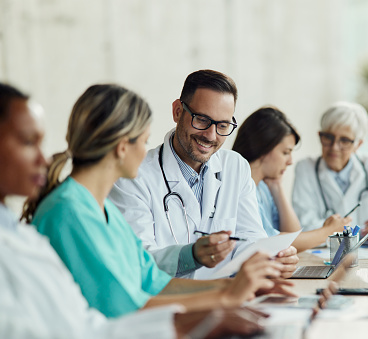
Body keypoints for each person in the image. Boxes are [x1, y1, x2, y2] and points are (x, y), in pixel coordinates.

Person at [0, 82, 269, 339]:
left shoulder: (103, 209)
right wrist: (225, 299)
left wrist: (233, 288)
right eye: (144, 140)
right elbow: (128, 309)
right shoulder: (68, 212)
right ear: (121, 147)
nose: (147, 152)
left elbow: (154, 282)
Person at [109, 70, 298, 279]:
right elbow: (138, 260)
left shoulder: (235, 167)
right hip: (169, 302)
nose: (211, 135)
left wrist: (272, 257)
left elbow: (250, 238)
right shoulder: (133, 175)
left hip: (227, 297)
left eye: (223, 125)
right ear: (178, 111)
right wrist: (191, 256)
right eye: (201, 120)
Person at [232, 106, 352, 252]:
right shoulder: (237, 189)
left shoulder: (263, 188)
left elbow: (292, 234)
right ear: (262, 148)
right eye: (285, 152)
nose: (290, 161)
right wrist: (328, 231)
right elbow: (277, 243)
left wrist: (277, 188)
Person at [292, 101, 368, 239]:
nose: (334, 147)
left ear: (358, 144)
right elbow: (302, 230)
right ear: (320, 135)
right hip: (322, 259)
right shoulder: (305, 169)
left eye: (344, 140)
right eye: (328, 137)